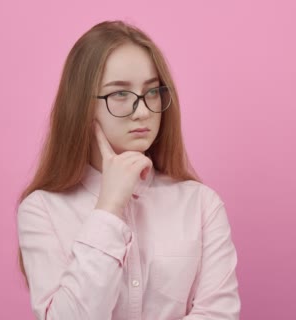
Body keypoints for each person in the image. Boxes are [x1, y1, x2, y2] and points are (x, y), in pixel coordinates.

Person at [16, 20, 241, 320]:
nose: (143, 111)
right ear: (81, 106)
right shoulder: (41, 210)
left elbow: (218, 314)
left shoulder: (202, 205)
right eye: (119, 94)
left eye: (152, 92)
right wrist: (108, 208)